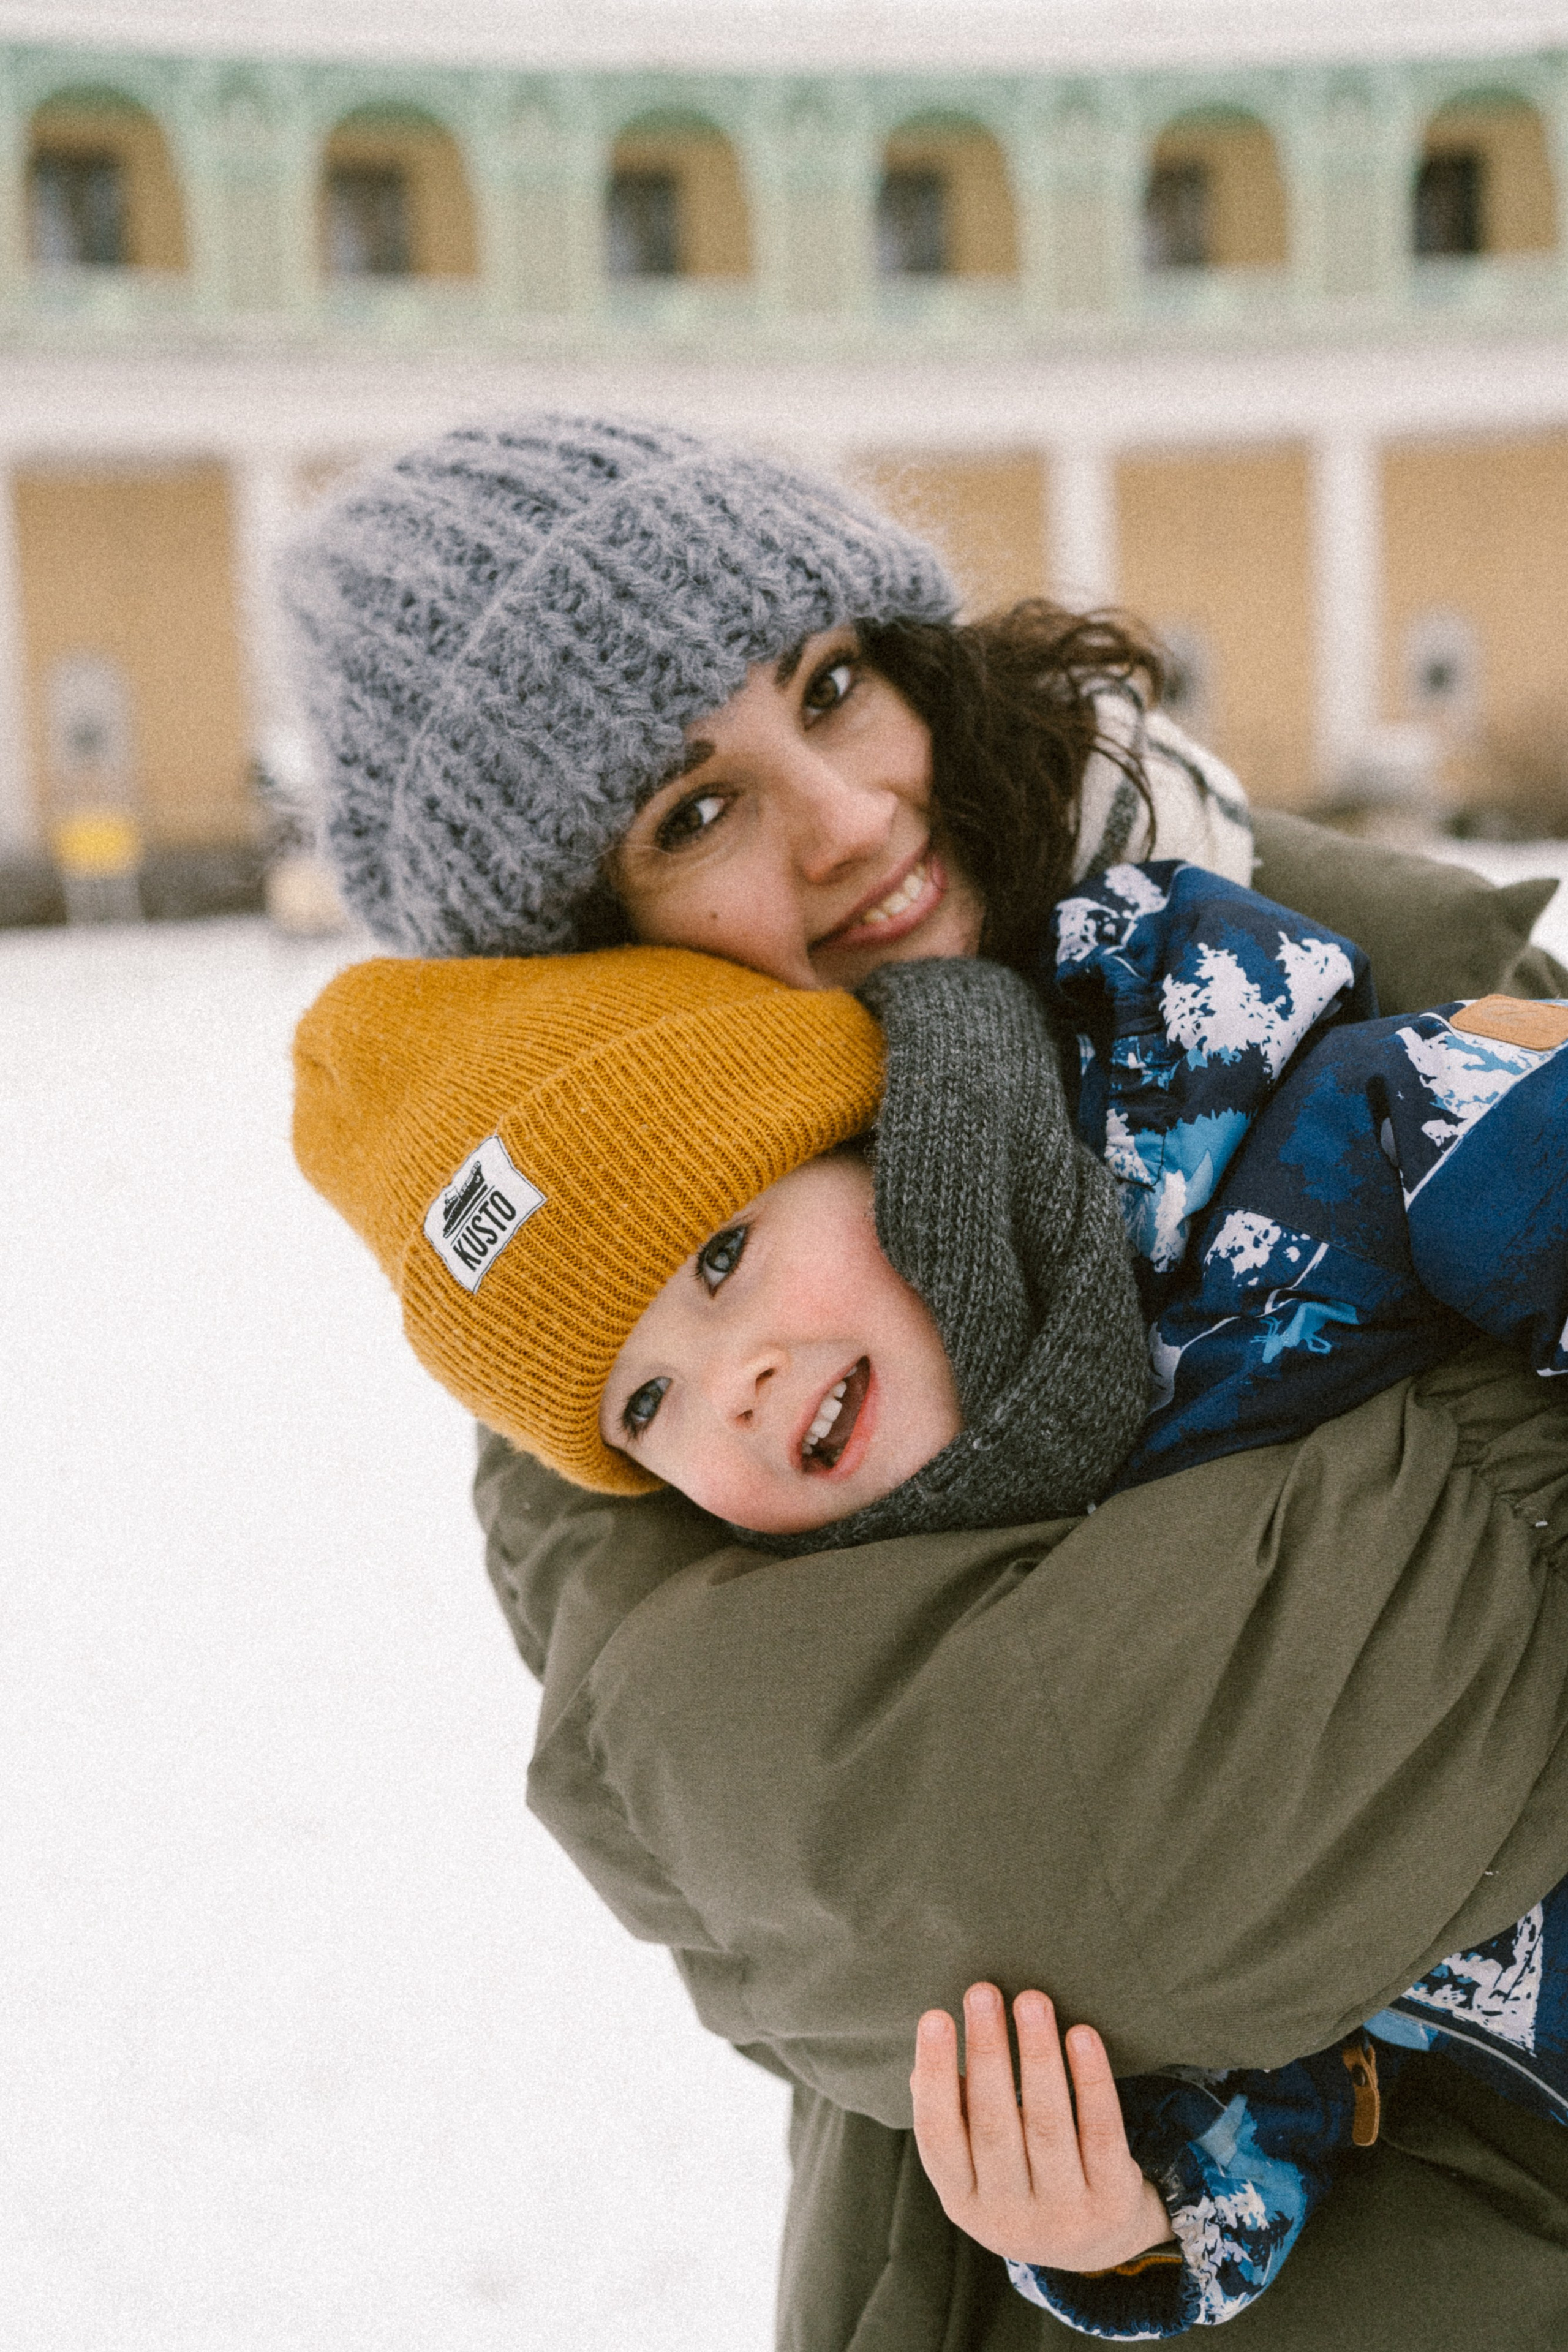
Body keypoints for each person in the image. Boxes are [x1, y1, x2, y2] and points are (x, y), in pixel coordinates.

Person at [282, 412, 1568, 2350]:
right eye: (690, 811)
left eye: (834, 686)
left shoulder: (1294, 966)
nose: (856, 814)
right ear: (568, 955)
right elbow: (1073, 1887)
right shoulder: (618, 1373)